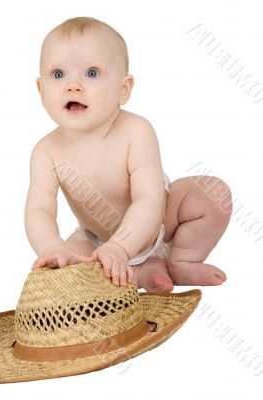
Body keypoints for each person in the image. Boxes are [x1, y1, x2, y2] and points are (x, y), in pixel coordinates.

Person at [24, 16, 233, 292]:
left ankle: (182, 260)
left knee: (213, 194)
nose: (72, 86)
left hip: (161, 221)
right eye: (58, 75)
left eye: (92, 73)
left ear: (123, 89)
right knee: (65, 282)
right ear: (41, 90)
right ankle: (140, 274)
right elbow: (39, 209)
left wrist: (121, 247)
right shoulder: (45, 151)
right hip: (97, 240)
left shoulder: (136, 131)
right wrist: (53, 246)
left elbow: (149, 198)